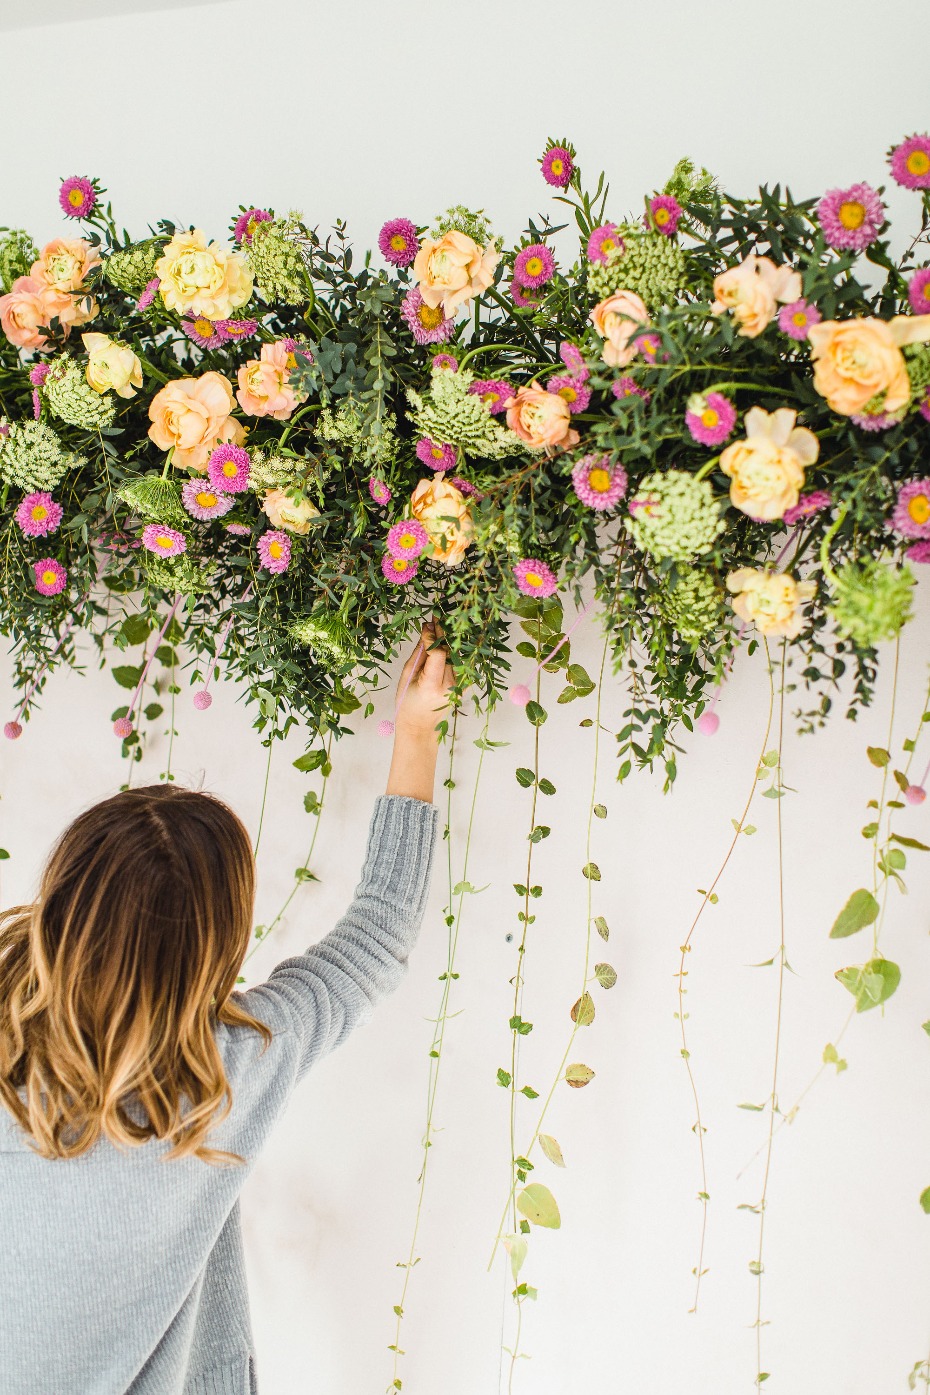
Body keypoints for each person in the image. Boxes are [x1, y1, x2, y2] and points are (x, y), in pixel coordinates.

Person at [0, 622, 452, 1395]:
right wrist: (415, 729)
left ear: (66, 895)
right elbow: (377, 936)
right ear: (214, 950)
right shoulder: (223, 1073)